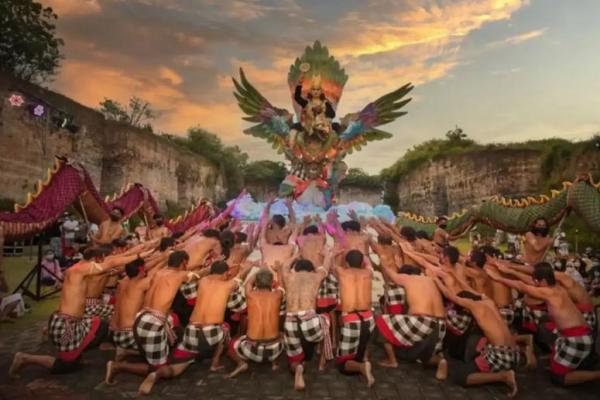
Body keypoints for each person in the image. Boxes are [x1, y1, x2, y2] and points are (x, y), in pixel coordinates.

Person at [9, 247, 138, 377]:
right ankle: (25, 358)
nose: (102, 262)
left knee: (101, 327)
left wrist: (149, 254)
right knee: (66, 364)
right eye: (100, 260)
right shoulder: (78, 271)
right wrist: (141, 254)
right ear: (94, 259)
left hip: (76, 321)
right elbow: (112, 262)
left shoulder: (83, 270)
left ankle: (76, 353)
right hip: (66, 325)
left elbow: (117, 262)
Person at [487, 263, 600, 386]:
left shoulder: (549, 293)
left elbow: (522, 286)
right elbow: (528, 282)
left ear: (544, 280)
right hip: (576, 335)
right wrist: (511, 270)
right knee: (553, 356)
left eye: (537, 281)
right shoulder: (557, 287)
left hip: (577, 339)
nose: (535, 283)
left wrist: (498, 278)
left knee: (558, 378)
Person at [104, 251, 200, 394]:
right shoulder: (179, 275)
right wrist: (204, 271)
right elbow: (193, 277)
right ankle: (118, 367)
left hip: (140, 319)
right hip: (152, 325)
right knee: (162, 368)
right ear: (184, 263)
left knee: (172, 322)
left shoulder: (158, 274)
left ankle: (143, 353)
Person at [434, 279, 520, 397]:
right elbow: (472, 291)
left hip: (501, 355)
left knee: (460, 376)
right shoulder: (488, 301)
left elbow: (450, 296)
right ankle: (503, 372)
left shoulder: (473, 306)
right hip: (515, 353)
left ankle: (503, 376)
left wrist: (434, 279)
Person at [375, 264, 446, 375]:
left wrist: (383, 262)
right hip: (441, 325)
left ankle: (392, 361)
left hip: (423, 322)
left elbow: (391, 274)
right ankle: (440, 361)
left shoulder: (407, 279)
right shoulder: (430, 280)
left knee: (381, 320)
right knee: (423, 358)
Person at [279, 254, 330, 390]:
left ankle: (298, 368)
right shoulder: (315, 276)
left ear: (295, 268)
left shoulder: (288, 276)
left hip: (290, 321)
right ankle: (322, 361)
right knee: (326, 318)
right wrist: (327, 254)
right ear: (312, 270)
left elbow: (284, 266)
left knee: (294, 359)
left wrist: (295, 255)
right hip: (309, 322)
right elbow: (325, 266)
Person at [227, 268, 284, 378]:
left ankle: (241, 363)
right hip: (275, 349)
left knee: (230, 344)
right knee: (281, 334)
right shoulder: (278, 295)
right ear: (272, 283)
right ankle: (274, 362)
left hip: (251, 350)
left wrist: (257, 269)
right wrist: (278, 271)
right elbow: (281, 286)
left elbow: (248, 283)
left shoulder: (250, 295)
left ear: (256, 282)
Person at [334, 250, 375, 387]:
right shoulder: (368, 272)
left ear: (346, 263)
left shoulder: (342, 272)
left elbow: (330, 262)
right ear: (362, 262)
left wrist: (338, 248)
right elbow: (368, 262)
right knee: (363, 342)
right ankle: (364, 358)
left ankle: (362, 367)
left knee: (342, 364)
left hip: (351, 320)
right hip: (369, 317)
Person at [110, 258, 152, 361]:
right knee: (159, 348)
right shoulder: (140, 284)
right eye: (144, 268)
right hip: (128, 335)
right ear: (141, 270)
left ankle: (124, 350)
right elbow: (161, 275)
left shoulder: (123, 282)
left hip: (114, 333)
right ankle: (126, 352)